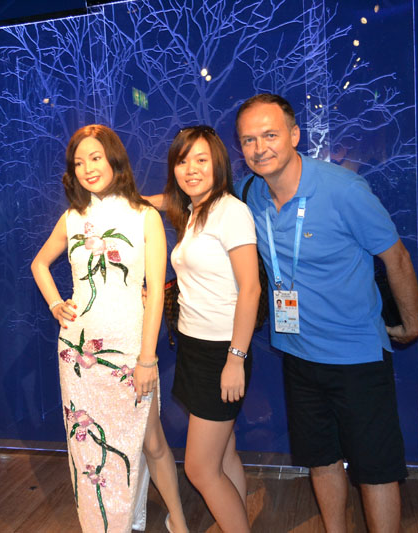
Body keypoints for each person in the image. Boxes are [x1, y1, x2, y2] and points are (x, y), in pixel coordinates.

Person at [234, 94, 418, 533]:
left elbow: (395, 257)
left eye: (269, 135)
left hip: (357, 356)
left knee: (375, 468)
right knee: (320, 459)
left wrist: (413, 323)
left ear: (294, 135)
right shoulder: (249, 193)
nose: (259, 148)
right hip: (299, 355)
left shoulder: (343, 189)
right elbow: (192, 194)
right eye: (248, 140)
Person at [31, 125, 187, 533]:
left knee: (151, 439)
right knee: (88, 446)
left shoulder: (145, 217)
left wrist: (147, 358)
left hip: (131, 348)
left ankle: (178, 520)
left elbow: (156, 293)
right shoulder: (72, 218)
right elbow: (39, 264)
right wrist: (56, 304)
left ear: (114, 159)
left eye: (95, 157)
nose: (87, 168)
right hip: (79, 352)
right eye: (78, 162)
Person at [162, 126, 260, 532]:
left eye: (201, 160)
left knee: (200, 469)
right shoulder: (194, 210)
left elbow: (250, 288)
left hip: (222, 352)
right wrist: (123, 197)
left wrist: (235, 359)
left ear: (218, 164)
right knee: (224, 453)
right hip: (194, 347)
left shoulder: (230, 211)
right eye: (182, 161)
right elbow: (160, 200)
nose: (191, 169)